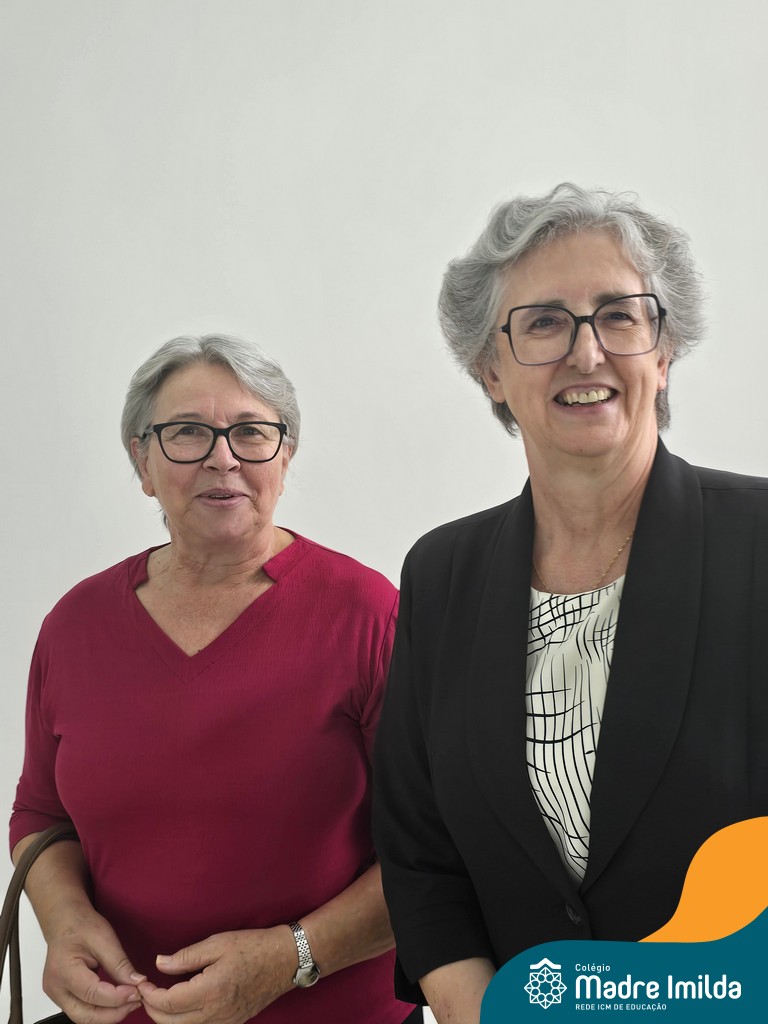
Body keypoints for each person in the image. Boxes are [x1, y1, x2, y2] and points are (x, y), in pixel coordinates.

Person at [372, 184, 768, 1023]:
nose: (587, 353)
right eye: (545, 323)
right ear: (490, 370)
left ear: (664, 352)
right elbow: (419, 858)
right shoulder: (442, 575)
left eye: (619, 316)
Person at [10, 334, 420, 1024]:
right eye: (187, 433)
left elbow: (436, 852)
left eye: (251, 433)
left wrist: (291, 958)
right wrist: (64, 920)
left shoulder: (368, 615)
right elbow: (41, 815)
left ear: (285, 458)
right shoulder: (75, 624)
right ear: (142, 462)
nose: (222, 457)